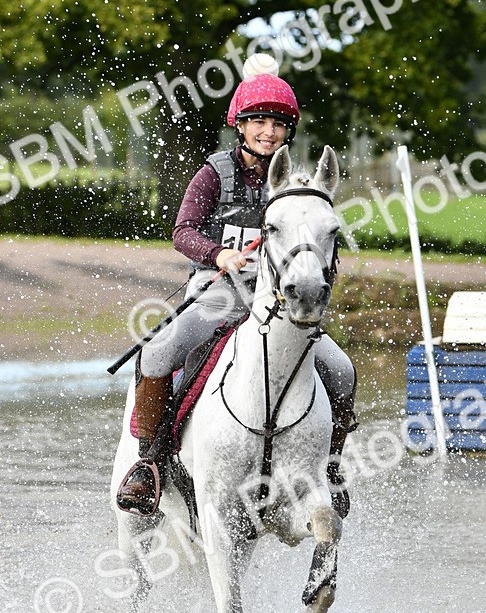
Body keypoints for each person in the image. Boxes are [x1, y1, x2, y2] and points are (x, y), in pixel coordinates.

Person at [116, 53, 357, 516]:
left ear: (289, 131)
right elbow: (183, 231)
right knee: (157, 353)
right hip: (218, 291)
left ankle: (328, 466)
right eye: (259, 122)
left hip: (276, 301)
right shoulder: (213, 173)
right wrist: (218, 254)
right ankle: (149, 465)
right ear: (240, 125)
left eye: (278, 124)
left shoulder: (294, 183)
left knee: (342, 370)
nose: (269, 132)